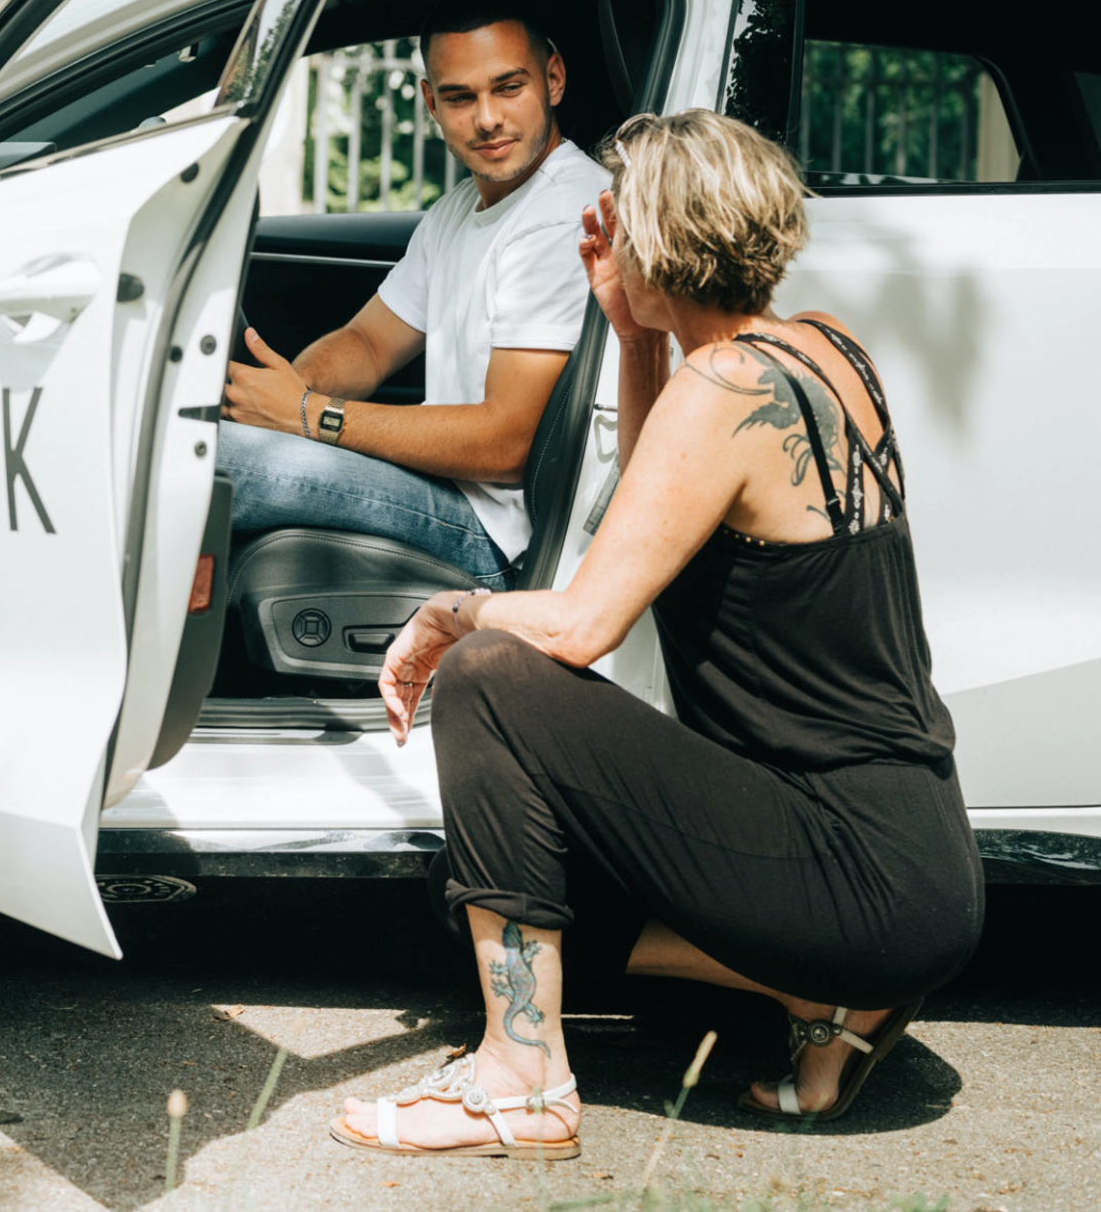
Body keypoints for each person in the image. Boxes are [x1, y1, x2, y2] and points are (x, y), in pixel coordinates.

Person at [331, 109, 983, 1159]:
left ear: (657, 242)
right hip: (913, 870)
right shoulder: (820, 348)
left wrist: (448, 614)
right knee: (464, 899)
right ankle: (830, 1002)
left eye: (614, 225)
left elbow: (584, 623)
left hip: (849, 873)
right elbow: (668, 498)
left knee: (494, 674)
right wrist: (634, 340)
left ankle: (520, 1080)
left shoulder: (716, 390)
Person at [218, 9, 605, 586]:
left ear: (553, 79)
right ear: (430, 102)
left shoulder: (564, 212)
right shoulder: (457, 211)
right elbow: (369, 345)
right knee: (220, 443)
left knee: (203, 458)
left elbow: (508, 443)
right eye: (459, 98)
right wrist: (288, 396)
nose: (488, 119)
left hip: (499, 536)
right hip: (447, 490)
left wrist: (306, 416)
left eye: (508, 87)